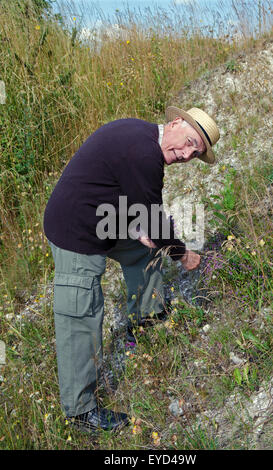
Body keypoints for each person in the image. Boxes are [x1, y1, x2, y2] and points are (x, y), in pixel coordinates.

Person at [43, 106, 220, 434]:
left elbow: (131, 199)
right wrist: (183, 255)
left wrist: (141, 227)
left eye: (194, 153)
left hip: (105, 219)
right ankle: (81, 411)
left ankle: (146, 319)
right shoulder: (144, 153)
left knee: (143, 251)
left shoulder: (142, 137)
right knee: (81, 313)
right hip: (75, 231)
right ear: (176, 122)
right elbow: (153, 218)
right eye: (188, 142)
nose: (185, 154)